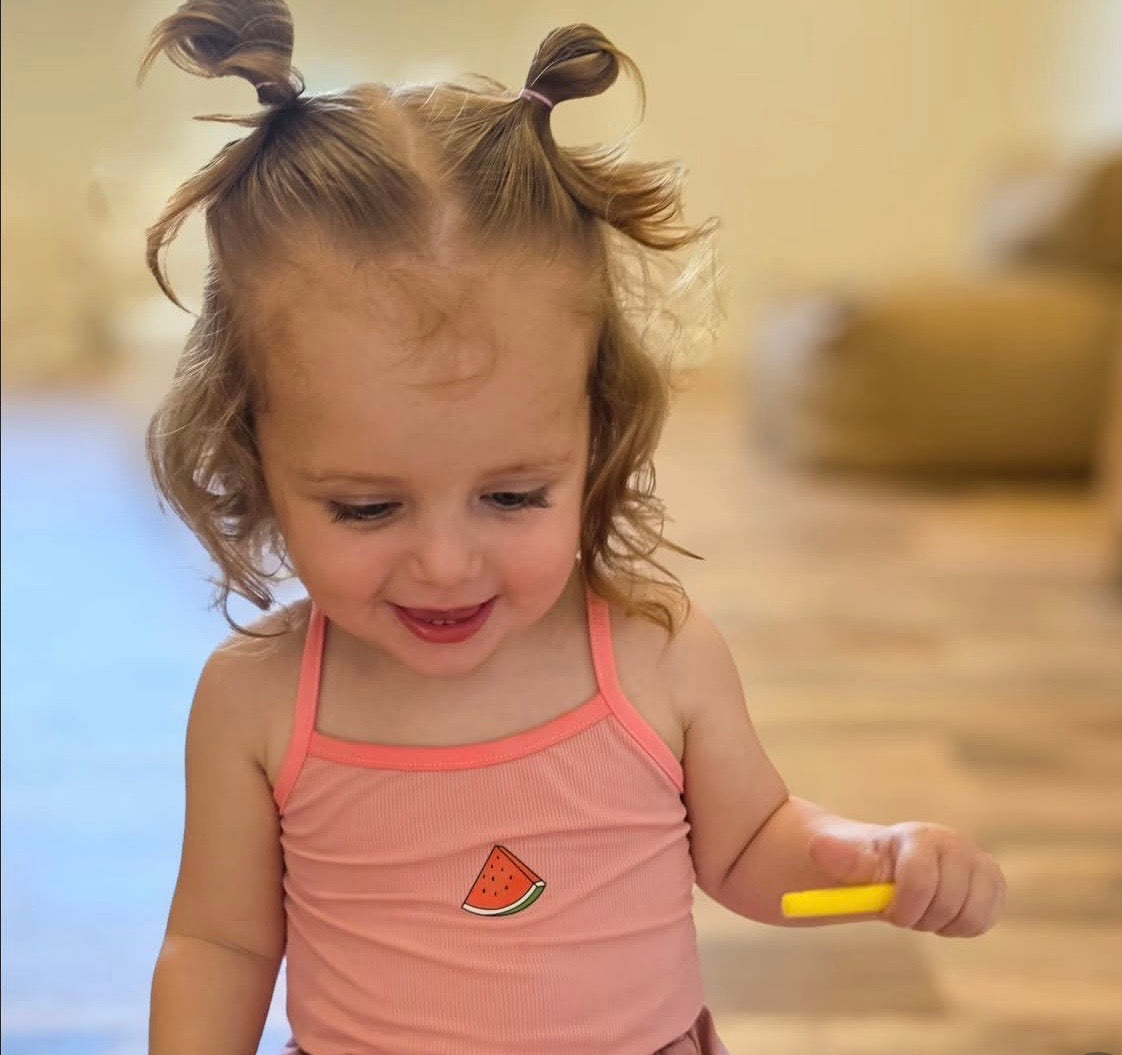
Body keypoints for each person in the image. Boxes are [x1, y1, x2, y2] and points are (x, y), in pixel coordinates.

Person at [139, 2, 1007, 1053]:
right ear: (250, 455)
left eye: (512, 495)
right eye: (367, 506)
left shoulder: (657, 654)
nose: (447, 563)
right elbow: (222, 943)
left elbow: (752, 850)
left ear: (595, 438)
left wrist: (870, 858)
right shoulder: (258, 703)